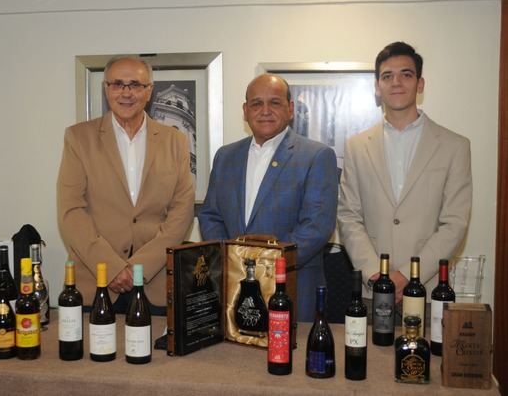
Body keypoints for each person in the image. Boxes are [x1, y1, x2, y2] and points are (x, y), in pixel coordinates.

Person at [57, 56, 195, 315]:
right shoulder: (78, 138)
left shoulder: (175, 142)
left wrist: (137, 269)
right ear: (106, 88)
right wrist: (111, 267)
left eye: (136, 85)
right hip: (94, 283)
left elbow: (182, 213)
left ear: (149, 91)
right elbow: (71, 212)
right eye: (118, 84)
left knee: (156, 356)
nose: (126, 93)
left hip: (155, 285)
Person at [338, 41, 472, 303]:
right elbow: (348, 216)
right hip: (373, 290)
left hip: (430, 289)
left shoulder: (455, 146)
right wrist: (377, 275)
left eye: (406, 74)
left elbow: (455, 223)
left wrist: (411, 274)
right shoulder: (356, 146)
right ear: (378, 87)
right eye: (387, 76)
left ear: (420, 84)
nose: (396, 82)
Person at [198, 74, 339, 322]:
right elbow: (211, 215)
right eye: (256, 104)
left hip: (293, 285)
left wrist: (263, 265)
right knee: (231, 358)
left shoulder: (317, 156)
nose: (265, 111)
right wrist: (233, 262)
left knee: (290, 359)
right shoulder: (225, 156)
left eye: (274, 103)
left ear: (290, 109)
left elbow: (317, 227)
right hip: (235, 284)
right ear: (245, 110)